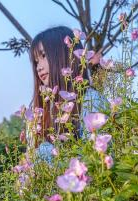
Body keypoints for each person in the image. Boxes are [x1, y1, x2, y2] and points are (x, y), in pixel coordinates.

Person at [28, 26, 107, 163]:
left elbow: (95, 162)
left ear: (65, 54)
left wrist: (44, 151)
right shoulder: (50, 108)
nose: (38, 67)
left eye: (43, 56)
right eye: (36, 61)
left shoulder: (91, 100)